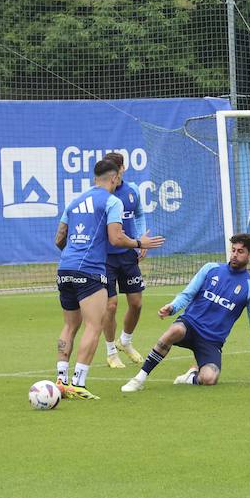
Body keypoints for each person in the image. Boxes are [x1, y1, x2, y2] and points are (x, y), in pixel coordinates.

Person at [54, 159, 165, 399]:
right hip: (90, 270)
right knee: (93, 325)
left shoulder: (74, 201)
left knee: (70, 325)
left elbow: (59, 238)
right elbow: (115, 238)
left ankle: (61, 380)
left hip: (65, 269)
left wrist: (75, 247)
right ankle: (78, 383)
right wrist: (139, 243)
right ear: (114, 178)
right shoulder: (112, 201)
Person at [120, 233, 250, 392]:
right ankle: (139, 378)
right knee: (175, 329)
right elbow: (187, 294)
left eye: (241, 251)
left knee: (209, 378)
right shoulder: (211, 269)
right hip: (190, 325)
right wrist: (173, 307)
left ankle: (191, 377)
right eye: (234, 250)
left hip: (212, 340)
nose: (235, 255)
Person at [99, 151, 150, 369]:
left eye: (116, 169)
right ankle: (111, 352)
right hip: (105, 258)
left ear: (121, 169)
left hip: (128, 256)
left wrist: (140, 239)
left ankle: (125, 342)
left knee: (136, 304)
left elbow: (138, 214)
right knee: (110, 306)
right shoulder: (100, 195)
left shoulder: (132, 191)